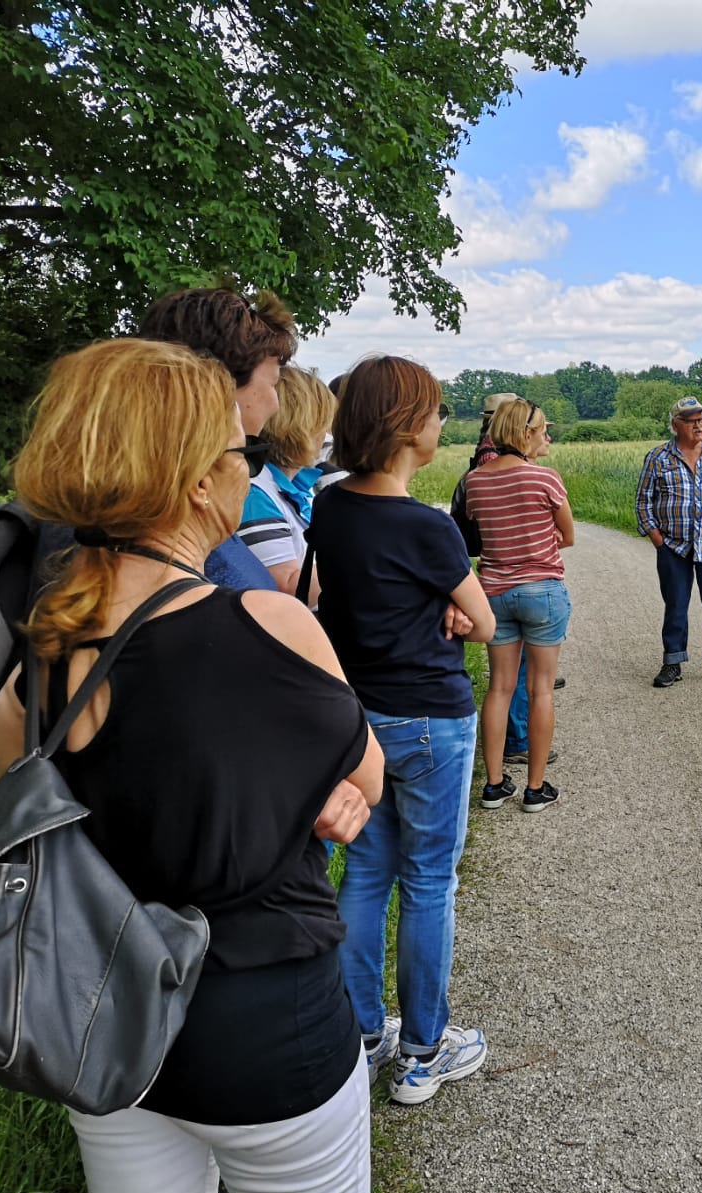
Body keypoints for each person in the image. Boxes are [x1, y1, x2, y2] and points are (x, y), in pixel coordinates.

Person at [0, 338, 383, 1193]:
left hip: (102, 1032)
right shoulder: (273, 627)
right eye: (243, 453)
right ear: (200, 483)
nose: (250, 470)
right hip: (268, 1033)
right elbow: (368, 778)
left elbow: (27, 825)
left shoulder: (37, 665)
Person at [308, 355, 498, 1106]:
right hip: (430, 721)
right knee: (428, 881)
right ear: (407, 427)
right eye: (435, 410)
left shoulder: (330, 507)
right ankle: (424, 1049)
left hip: (359, 721)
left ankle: (361, 1036)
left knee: (365, 875)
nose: (442, 422)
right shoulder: (428, 526)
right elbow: (483, 622)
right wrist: (451, 609)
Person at [138, 286, 297, 592]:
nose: (275, 404)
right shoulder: (185, 542)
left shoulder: (105, 508)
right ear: (219, 386)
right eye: (273, 384)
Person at [465, 398, 574, 814]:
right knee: (540, 689)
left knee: (500, 688)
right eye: (543, 430)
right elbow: (567, 536)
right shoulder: (545, 478)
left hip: (494, 593)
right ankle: (535, 788)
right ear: (525, 433)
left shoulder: (476, 480)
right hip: (542, 591)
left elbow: (480, 533)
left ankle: (494, 785)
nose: (547, 437)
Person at [449, 392, 554, 767]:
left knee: (502, 682)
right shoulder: (500, 464)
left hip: (495, 580)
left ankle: (497, 772)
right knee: (524, 679)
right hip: (525, 580)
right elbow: (561, 534)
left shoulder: (480, 464)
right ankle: (519, 741)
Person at [635, 396, 702, 688]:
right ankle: (672, 661)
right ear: (676, 425)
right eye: (691, 421)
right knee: (675, 605)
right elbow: (643, 501)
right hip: (673, 546)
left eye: (701, 420)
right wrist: (656, 538)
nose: (699, 425)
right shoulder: (658, 458)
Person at [241, 366, 336, 601]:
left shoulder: (291, 486)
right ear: (305, 427)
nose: (326, 435)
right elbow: (289, 585)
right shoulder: (256, 494)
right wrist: (364, 562)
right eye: (323, 424)